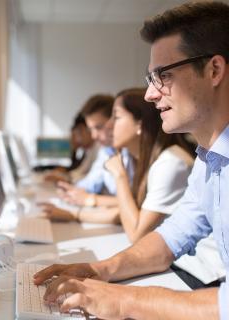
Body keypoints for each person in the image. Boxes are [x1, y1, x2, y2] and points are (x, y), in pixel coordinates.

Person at [33, 2, 229, 319]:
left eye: (163, 76)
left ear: (214, 70)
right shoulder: (210, 159)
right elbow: (172, 236)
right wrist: (99, 270)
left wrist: (125, 300)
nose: (150, 94)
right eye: (150, 78)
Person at [40, 88, 194, 240]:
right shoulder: (141, 159)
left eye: (116, 117)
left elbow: (136, 234)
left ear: (140, 124)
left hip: (186, 264)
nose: (108, 126)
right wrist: (73, 215)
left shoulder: (170, 163)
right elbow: (127, 211)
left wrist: (119, 175)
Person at [44, 112, 98, 183]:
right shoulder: (89, 150)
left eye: (80, 132)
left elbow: (87, 176)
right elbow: (80, 171)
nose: (78, 137)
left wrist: (65, 178)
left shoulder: (97, 148)